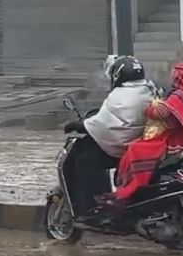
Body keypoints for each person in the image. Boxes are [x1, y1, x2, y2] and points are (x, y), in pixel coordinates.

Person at [104, 62, 183, 210]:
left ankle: (129, 191)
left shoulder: (179, 96)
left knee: (136, 149)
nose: (173, 79)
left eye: (175, 76)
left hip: (177, 142)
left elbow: (160, 113)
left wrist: (148, 107)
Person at [63, 56, 156, 216]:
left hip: (120, 149)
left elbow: (102, 124)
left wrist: (78, 125)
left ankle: (88, 208)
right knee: (87, 152)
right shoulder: (149, 90)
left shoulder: (120, 95)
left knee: (83, 160)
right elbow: (114, 122)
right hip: (137, 146)